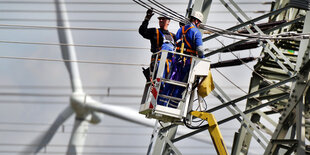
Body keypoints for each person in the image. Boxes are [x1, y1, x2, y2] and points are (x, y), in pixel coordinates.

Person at [166, 11, 205, 108]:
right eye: (199, 22)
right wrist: (202, 60)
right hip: (187, 63)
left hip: (176, 60)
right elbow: (200, 50)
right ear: (196, 21)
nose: (199, 25)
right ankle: (172, 107)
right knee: (181, 85)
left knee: (170, 82)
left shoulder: (180, 30)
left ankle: (161, 103)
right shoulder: (196, 32)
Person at [139, 9, 176, 106]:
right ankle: (158, 103)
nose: (161, 21)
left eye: (163, 19)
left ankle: (166, 103)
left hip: (170, 65)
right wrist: (147, 18)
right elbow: (142, 31)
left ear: (168, 21)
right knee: (159, 85)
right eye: (160, 19)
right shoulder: (154, 32)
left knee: (169, 85)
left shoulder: (173, 36)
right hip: (158, 63)